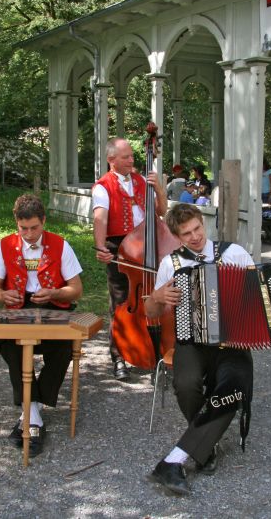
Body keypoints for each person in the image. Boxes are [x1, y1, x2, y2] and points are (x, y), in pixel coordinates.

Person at [143, 204, 271, 495]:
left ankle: (175, 459)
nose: (195, 236)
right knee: (185, 384)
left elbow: (265, 291)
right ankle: (206, 444)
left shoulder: (234, 253)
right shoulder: (171, 264)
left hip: (234, 342)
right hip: (192, 340)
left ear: (203, 223)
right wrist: (158, 296)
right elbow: (150, 309)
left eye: (198, 228)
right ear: (177, 236)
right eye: (186, 234)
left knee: (235, 385)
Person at [0, 194, 83, 456]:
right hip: (17, 307)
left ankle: (32, 408)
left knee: (64, 346)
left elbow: (76, 290)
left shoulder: (61, 245)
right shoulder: (2, 246)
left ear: (44, 221)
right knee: (9, 345)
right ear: (16, 223)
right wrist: (1, 295)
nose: (29, 234)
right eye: (23, 228)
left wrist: (53, 293)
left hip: (52, 304)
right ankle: (33, 412)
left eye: (34, 228)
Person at [93, 137, 168, 380]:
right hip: (121, 249)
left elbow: (161, 212)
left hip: (148, 247)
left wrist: (158, 188)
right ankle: (118, 357)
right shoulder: (102, 186)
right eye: (126, 157)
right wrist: (100, 246)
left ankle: (157, 350)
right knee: (121, 302)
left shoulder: (141, 180)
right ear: (111, 160)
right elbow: (100, 218)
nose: (132, 160)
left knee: (157, 297)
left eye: (132, 156)